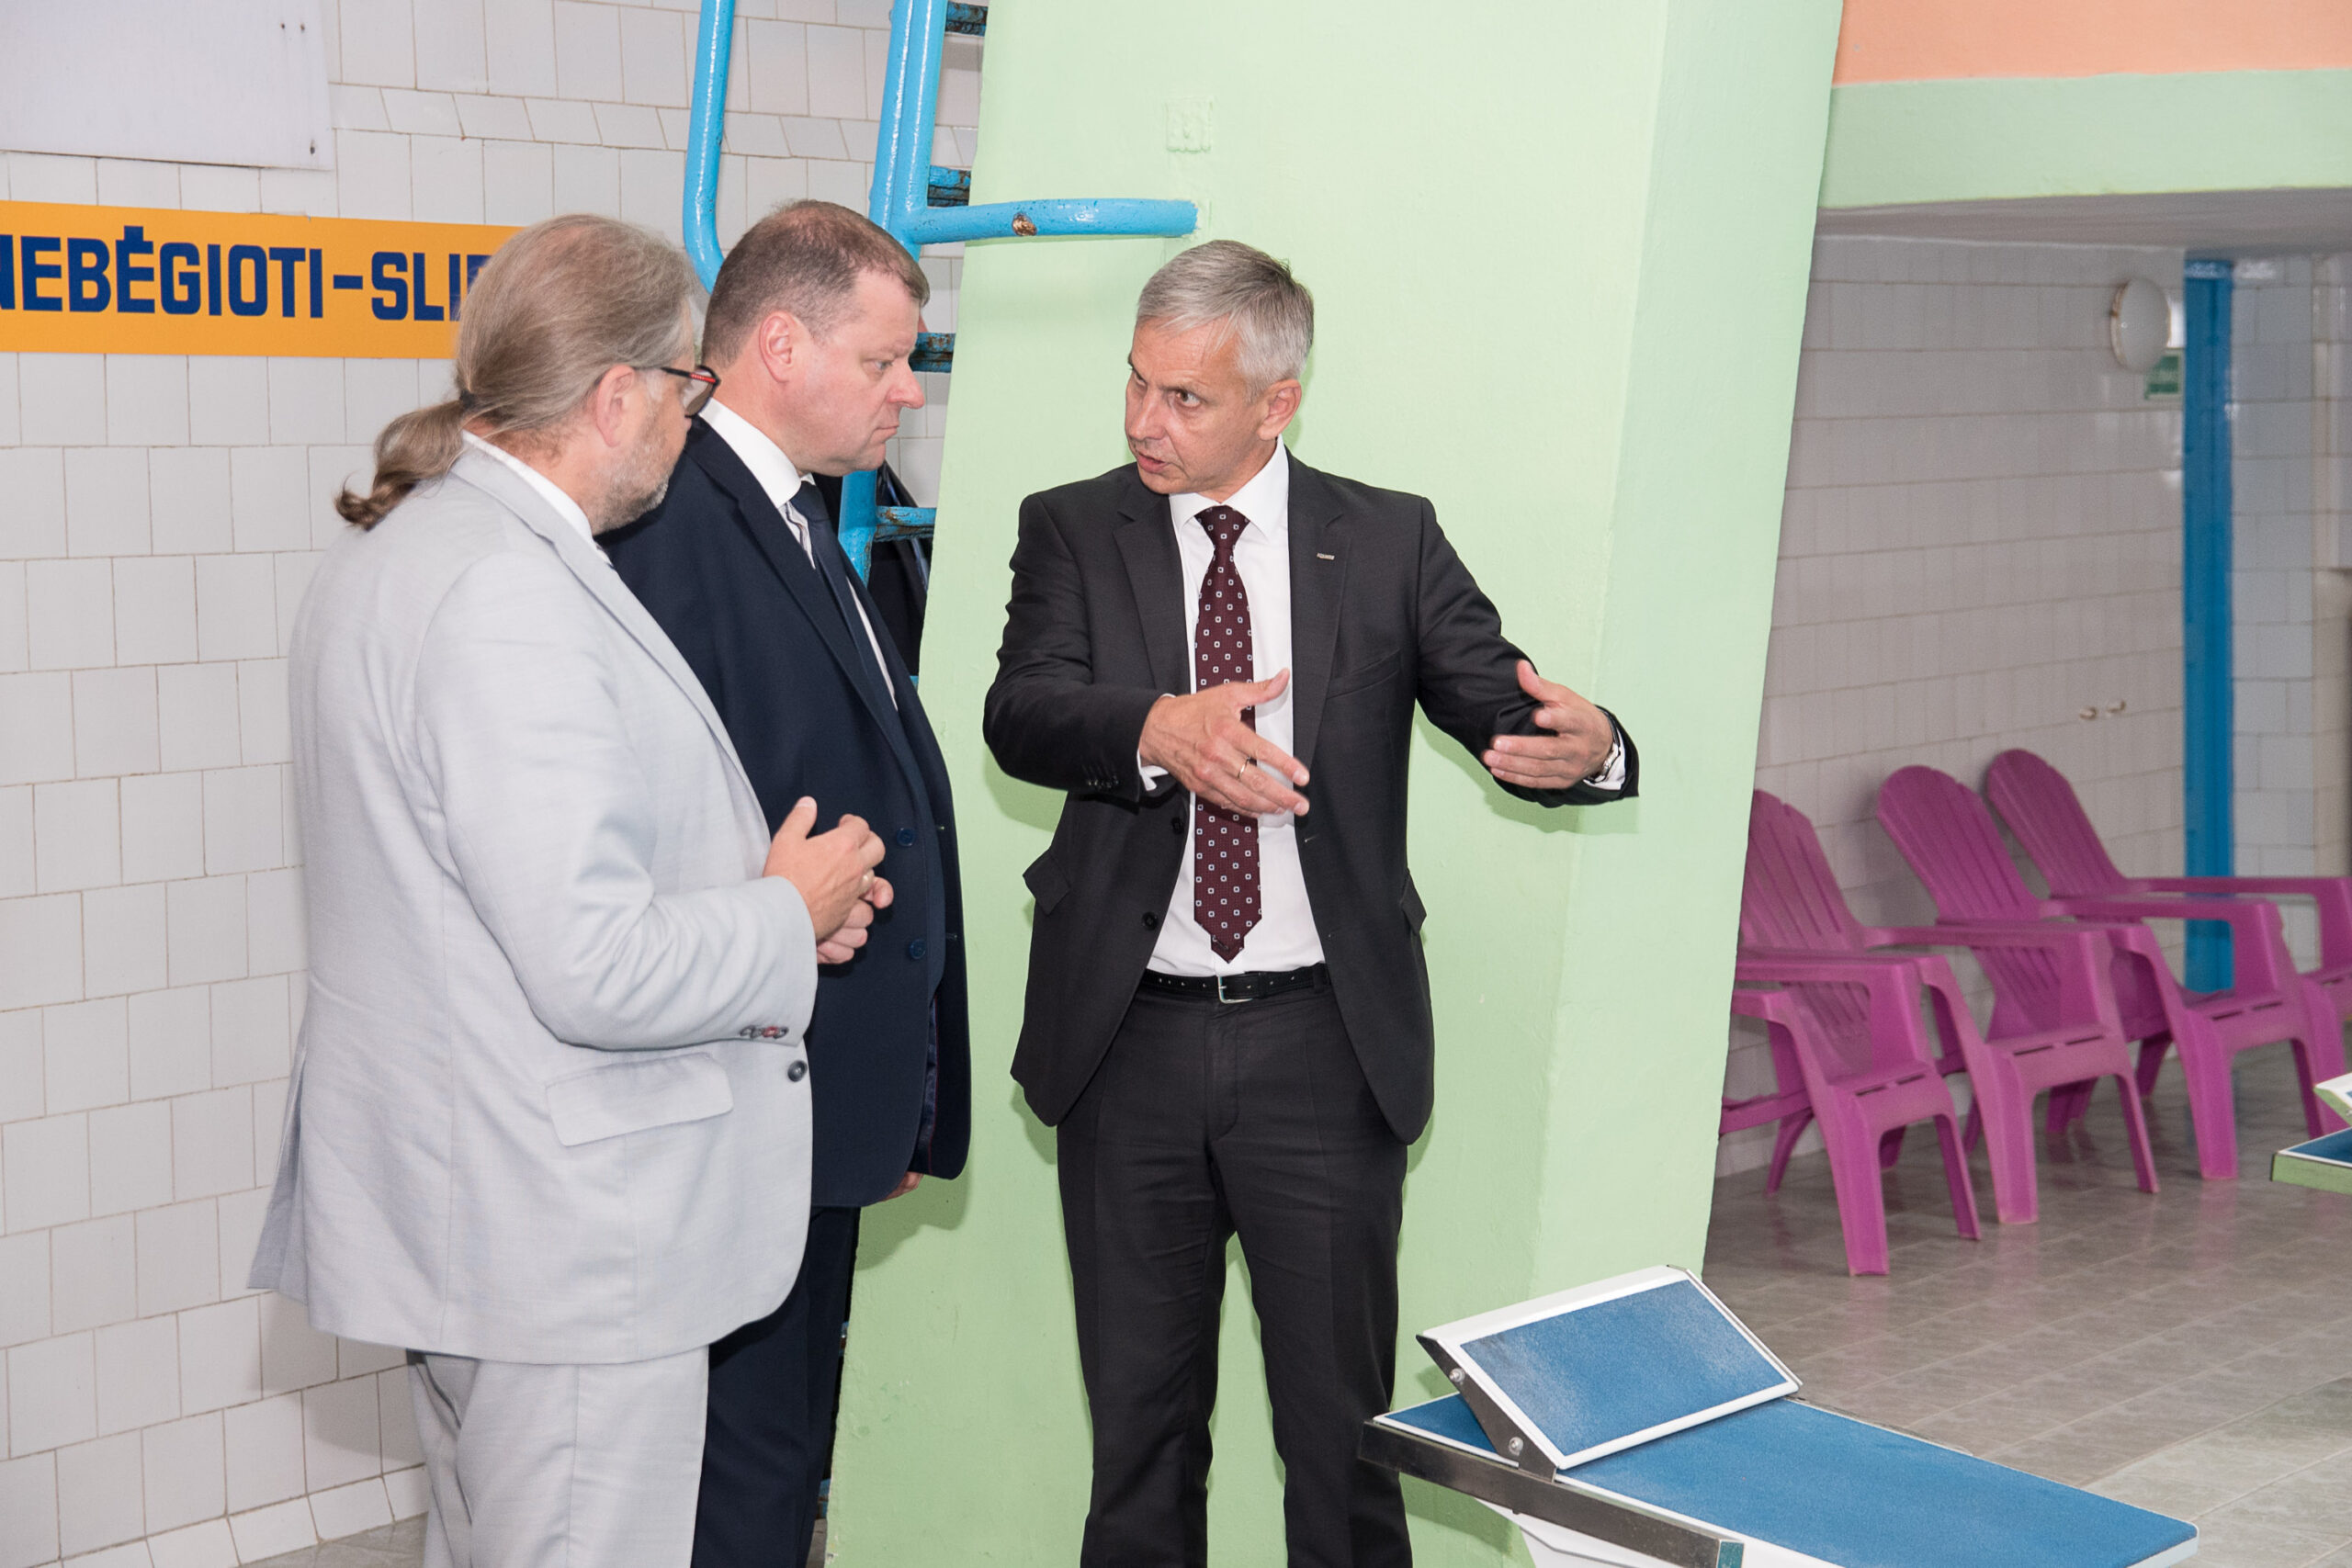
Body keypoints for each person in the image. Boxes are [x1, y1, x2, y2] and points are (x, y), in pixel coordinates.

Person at [982, 240, 1638, 1568]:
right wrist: (1158, 726)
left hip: (1323, 1050)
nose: (1144, 421)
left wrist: (1594, 746)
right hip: (1126, 1042)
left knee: (1342, 1448)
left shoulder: (1387, 537)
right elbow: (1024, 711)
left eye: (1185, 398)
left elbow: (1502, 704)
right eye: (1137, 383)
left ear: (1276, 402)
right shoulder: (1072, 527)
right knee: (1140, 1444)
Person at [248, 214, 891, 1568]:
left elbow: (496, 895)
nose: (688, 417)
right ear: (616, 394)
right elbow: (594, 965)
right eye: (685, 384)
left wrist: (759, 902)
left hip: (480, 1215)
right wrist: (785, 910)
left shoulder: (407, 551)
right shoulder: (505, 595)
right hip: (571, 1240)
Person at [605, 199, 969, 1568]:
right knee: (740, 1480)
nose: (904, 392)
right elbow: (651, 815)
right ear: (777, 344)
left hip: (811, 1088)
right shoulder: (670, 520)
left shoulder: (797, 513)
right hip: (731, 1087)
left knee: (780, 1462)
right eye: (883, 361)